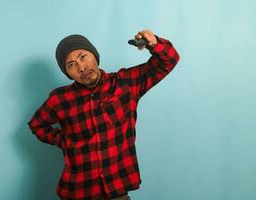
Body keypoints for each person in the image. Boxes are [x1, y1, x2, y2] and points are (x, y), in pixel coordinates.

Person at [28, 29, 180, 200]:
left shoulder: (125, 83)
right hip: (77, 192)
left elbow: (169, 60)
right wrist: (64, 141)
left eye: (83, 56)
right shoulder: (60, 99)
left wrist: (154, 44)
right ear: (67, 73)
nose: (81, 67)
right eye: (71, 65)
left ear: (94, 55)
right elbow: (36, 125)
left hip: (117, 191)